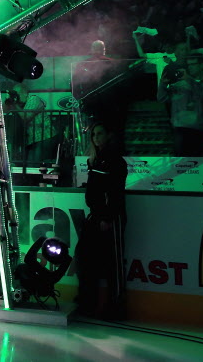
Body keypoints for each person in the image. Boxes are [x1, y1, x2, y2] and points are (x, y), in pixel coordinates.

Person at [74, 122, 127, 320]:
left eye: (100, 133)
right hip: (96, 217)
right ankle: (88, 302)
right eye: (93, 134)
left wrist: (107, 217)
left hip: (110, 219)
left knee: (113, 265)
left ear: (108, 135)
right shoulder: (95, 161)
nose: (96, 137)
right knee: (84, 257)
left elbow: (115, 194)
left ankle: (117, 307)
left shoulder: (116, 161)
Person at [157, 51, 203, 156]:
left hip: (200, 130)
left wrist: (189, 79)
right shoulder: (178, 85)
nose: (190, 67)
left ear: (202, 65)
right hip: (180, 130)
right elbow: (162, 98)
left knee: (201, 165)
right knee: (181, 165)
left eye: (193, 64)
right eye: (188, 65)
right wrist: (163, 84)